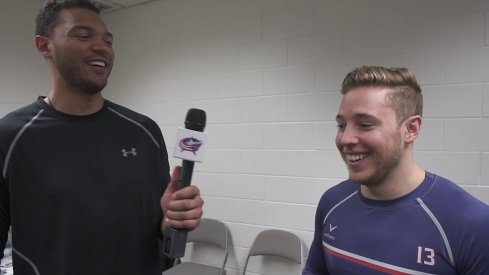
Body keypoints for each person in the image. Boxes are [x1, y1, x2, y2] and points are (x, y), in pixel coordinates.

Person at [0, 0, 204, 274]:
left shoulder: (143, 131)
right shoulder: (11, 137)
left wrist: (173, 218)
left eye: (107, 39)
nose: (102, 46)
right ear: (44, 45)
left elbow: (159, 227)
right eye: (83, 36)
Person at [303, 66, 489, 274]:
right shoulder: (332, 202)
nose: (345, 139)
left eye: (365, 125)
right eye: (342, 125)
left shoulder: (472, 224)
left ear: (411, 129)